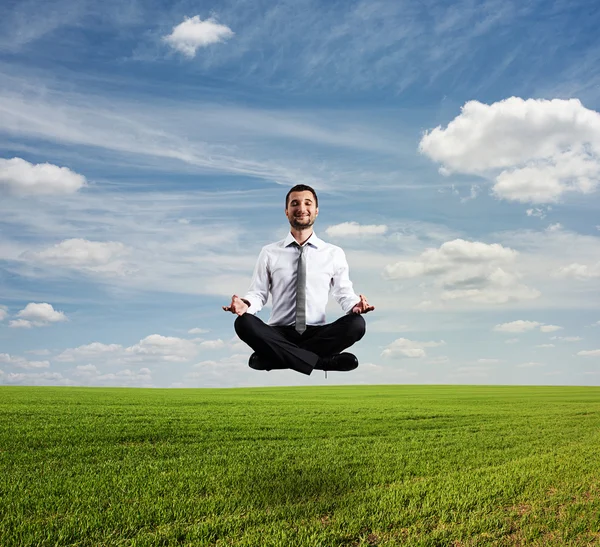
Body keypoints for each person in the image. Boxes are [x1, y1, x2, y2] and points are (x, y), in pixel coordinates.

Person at [223, 184, 374, 375]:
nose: (301, 208)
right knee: (243, 323)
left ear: (316, 211)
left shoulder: (333, 253)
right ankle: (321, 362)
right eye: (295, 203)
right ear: (287, 212)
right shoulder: (269, 252)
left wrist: (355, 305)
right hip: (279, 332)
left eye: (307, 203)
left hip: (317, 332)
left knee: (356, 324)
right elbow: (258, 293)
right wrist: (246, 304)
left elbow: (344, 293)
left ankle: (272, 359)